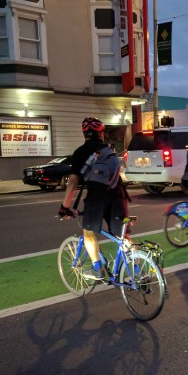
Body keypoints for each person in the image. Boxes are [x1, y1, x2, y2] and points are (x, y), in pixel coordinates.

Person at [58, 116, 130, 280]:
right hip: (118, 194)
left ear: (84, 133)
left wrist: (65, 207)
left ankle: (98, 269)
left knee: (88, 231)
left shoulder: (80, 152)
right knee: (122, 235)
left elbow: (73, 182)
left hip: (97, 196)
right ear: (101, 133)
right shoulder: (108, 151)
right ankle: (139, 267)